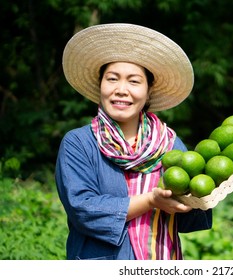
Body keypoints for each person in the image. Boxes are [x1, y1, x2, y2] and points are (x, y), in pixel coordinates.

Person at [55, 23, 212, 260]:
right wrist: (150, 200)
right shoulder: (79, 143)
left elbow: (188, 218)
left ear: (149, 91)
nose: (121, 89)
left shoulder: (170, 144)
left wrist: (207, 191)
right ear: (100, 86)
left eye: (134, 81)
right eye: (112, 79)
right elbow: (83, 209)